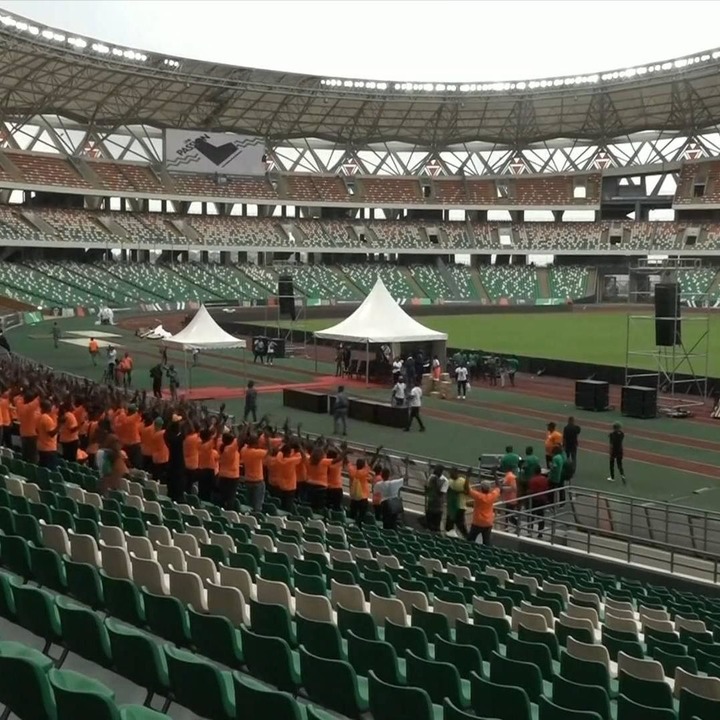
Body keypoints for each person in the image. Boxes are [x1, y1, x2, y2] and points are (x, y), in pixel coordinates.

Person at [468, 480, 501, 545]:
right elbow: (498, 487)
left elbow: (467, 489)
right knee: (486, 542)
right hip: (488, 523)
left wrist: (467, 477)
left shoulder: (478, 496)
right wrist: (495, 475)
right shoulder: (492, 496)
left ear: (481, 488)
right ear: (489, 489)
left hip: (477, 522)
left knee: (470, 540)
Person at [240, 436, 268, 512]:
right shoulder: (256, 453)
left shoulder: (244, 450)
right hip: (257, 481)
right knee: (257, 505)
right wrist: (268, 440)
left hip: (248, 480)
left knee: (249, 504)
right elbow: (269, 452)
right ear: (255, 444)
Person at [445, 467, 469, 538]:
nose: (450, 475)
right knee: (448, 526)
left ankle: (467, 539)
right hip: (451, 507)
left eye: (452, 473)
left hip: (460, 506)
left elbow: (467, 491)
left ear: (456, 473)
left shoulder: (462, 481)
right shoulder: (449, 481)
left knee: (461, 526)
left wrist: (468, 477)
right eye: (450, 474)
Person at [424, 464, 448, 532]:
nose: (434, 471)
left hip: (438, 506)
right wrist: (427, 488)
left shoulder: (445, 480)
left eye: (436, 470)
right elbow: (427, 489)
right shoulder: (432, 477)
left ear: (440, 471)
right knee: (428, 525)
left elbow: (441, 494)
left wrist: (435, 483)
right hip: (430, 503)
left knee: (436, 526)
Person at [348, 458, 372, 527]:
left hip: (354, 496)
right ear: (363, 466)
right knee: (361, 515)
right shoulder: (363, 473)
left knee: (352, 514)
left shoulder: (352, 471)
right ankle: (359, 527)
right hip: (362, 497)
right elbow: (370, 466)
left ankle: (351, 527)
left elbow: (349, 464)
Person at [36, 399, 59, 469]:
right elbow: (51, 433)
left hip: (41, 446)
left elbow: (37, 430)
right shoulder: (47, 419)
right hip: (49, 448)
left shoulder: (39, 417)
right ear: (49, 408)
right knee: (50, 469)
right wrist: (60, 425)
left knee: (43, 469)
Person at [527, 467, 550, 537]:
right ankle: (540, 532)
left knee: (531, 516)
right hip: (542, 499)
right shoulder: (545, 479)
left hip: (534, 499)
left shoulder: (532, 480)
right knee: (541, 516)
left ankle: (530, 532)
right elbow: (547, 488)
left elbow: (531, 490)